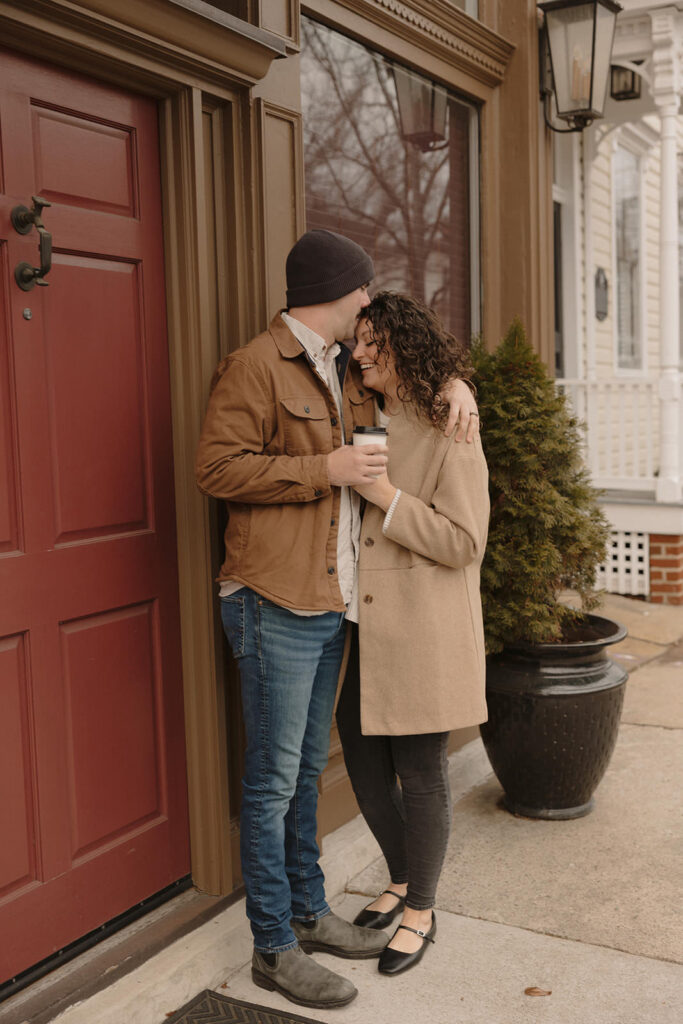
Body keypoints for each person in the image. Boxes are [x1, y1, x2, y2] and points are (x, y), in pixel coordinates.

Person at [195, 231, 479, 1010]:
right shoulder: (255, 365)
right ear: (337, 289)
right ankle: (274, 948)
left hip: (330, 608)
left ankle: (310, 913)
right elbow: (215, 468)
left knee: (298, 784)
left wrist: (457, 380)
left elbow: (408, 372)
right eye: (361, 293)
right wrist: (321, 469)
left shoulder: (345, 371)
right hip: (271, 601)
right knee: (273, 783)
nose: (367, 311)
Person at [336, 291, 490, 977]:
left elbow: (463, 540)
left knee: (420, 773)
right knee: (364, 768)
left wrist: (388, 501)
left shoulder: (448, 423)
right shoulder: (356, 407)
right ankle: (400, 877)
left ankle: (421, 910)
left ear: (408, 348)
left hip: (421, 628)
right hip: (360, 626)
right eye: (356, 339)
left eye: (375, 342)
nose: (359, 351)